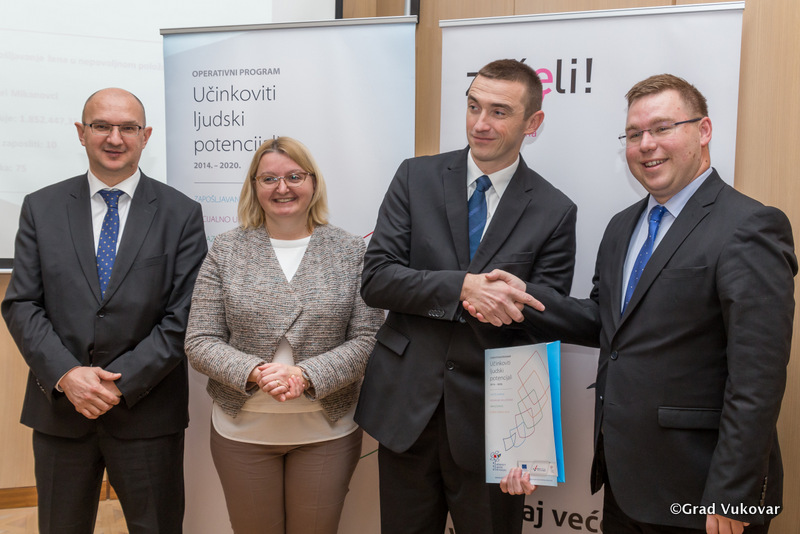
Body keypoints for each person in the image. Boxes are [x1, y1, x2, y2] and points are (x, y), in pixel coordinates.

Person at [467, 74, 796, 533]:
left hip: (703, 491)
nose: (646, 145)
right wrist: (523, 296)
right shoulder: (623, 226)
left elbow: (758, 378)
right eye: (634, 134)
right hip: (625, 483)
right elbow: (605, 323)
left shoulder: (749, 226)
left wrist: (732, 495)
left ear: (703, 131)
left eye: (662, 128)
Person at [354, 59, 577, 534]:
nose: (480, 123)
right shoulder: (415, 177)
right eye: (474, 106)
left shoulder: (555, 210)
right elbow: (377, 279)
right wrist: (462, 285)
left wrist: (526, 446)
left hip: (494, 428)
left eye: (499, 112)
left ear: (533, 122)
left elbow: (541, 326)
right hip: (406, 411)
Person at [1, 88, 207, 533]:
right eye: (101, 126)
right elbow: (22, 303)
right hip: (62, 409)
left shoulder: (182, 213)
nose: (115, 138)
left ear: (145, 136)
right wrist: (68, 375)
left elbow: (186, 315)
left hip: (147, 412)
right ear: (81, 132)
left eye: (128, 127)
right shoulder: (41, 207)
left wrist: (118, 384)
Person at [184, 136, 383, 534]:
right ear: (254, 186)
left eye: (294, 176)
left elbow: (367, 340)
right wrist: (256, 371)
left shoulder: (350, 251)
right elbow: (200, 339)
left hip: (327, 430)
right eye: (269, 178)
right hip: (242, 431)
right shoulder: (226, 250)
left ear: (313, 182)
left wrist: (307, 375)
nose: (282, 188)